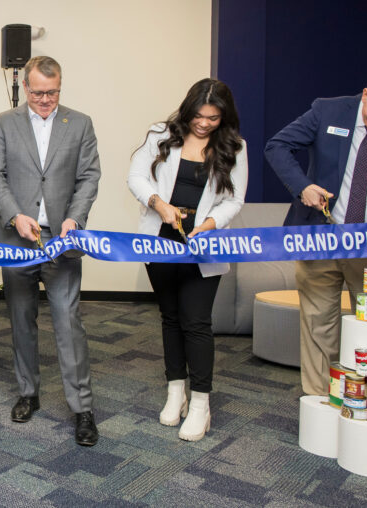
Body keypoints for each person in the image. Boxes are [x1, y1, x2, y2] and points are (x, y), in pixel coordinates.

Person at [265, 72, 367, 396]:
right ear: (365, 94)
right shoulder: (328, 111)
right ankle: (321, 400)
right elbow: (278, 146)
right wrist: (303, 186)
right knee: (318, 323)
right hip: (319, 237)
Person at [0, 56, 101, 446]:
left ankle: (82, 408)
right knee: (21, 318)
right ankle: (28, 392)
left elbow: (88, 177)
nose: (45, 100)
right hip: (17, 238)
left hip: (61, 240)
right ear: (27, 89)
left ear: (60, 88)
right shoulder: (4, 123)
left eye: (52, 92)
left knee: (69, 323)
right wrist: (15, 215)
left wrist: (74, 219)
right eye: (38, 93)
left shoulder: (80, 123)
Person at [127, 79, 247, 442]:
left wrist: (210, 224)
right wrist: (159, 204)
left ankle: (200, 404)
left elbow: (234, 200)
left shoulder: (235, 147)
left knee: (196, 322)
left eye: (213, 117)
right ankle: (175, 391)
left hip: (203, 244)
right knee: (170, 317)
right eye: (199, 115)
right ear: (188, 109)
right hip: (161, 241)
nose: (204, 123)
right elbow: (135, 176)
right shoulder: (160, 134)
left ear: (223, 116)